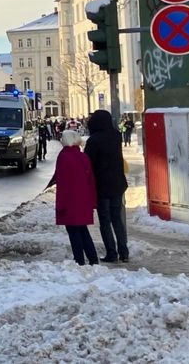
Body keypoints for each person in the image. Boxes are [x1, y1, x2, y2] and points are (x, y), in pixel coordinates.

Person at [48, 129, 99, 266]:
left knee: (73, 232)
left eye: (62, 138)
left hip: (70, 202)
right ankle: (93, 259)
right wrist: (93, 201)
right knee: (83, 230)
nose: (61, 140)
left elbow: (63, 183)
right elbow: (91, 181)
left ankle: (79, 261)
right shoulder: (83, 156)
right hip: (83, 200)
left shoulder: (64, 157)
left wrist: (60, 205)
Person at [85, 109, 129, 263]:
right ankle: (124, 251)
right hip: (118, 183)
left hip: (102, 186)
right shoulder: (116, 136)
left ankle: (111, 252)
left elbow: (88, 163)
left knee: (105, 220)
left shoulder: (94, 140)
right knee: (117, 219)